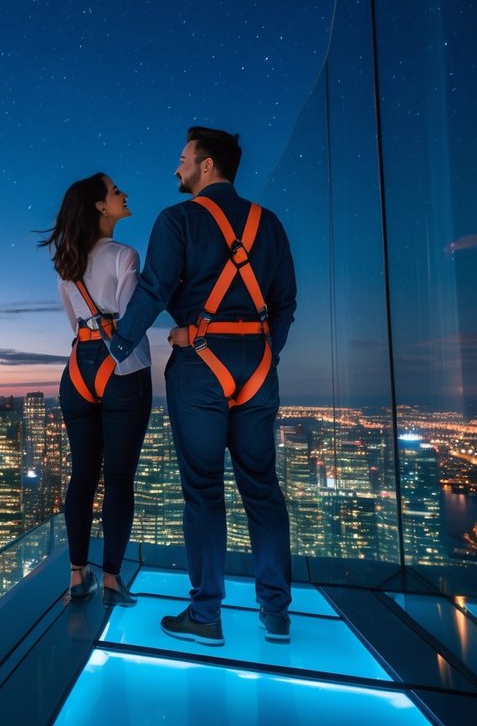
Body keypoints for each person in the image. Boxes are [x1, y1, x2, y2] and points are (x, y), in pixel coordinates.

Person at [107, 126, 297, 645]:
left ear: (206, 165)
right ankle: (276, 612)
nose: (177, 168)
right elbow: (285, 302)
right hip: (256, 368)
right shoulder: (270, 224)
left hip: (199, 366)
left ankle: (207, 616)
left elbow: (154, 289)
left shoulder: (179, 220)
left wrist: (119, 345)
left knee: (204, 490)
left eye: (183, 159)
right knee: (261, 486)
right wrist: (267, 353)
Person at [41, 173, 152, 604]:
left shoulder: (66, 266)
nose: (124, 194)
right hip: (121, 369)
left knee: (83, 474)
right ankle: (110, 580)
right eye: (115, 191)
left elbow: (75, 324)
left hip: (79, 370)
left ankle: (76, 575)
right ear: (100, 207)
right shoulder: (125, 255)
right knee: (119, 479)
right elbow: (130, 317)